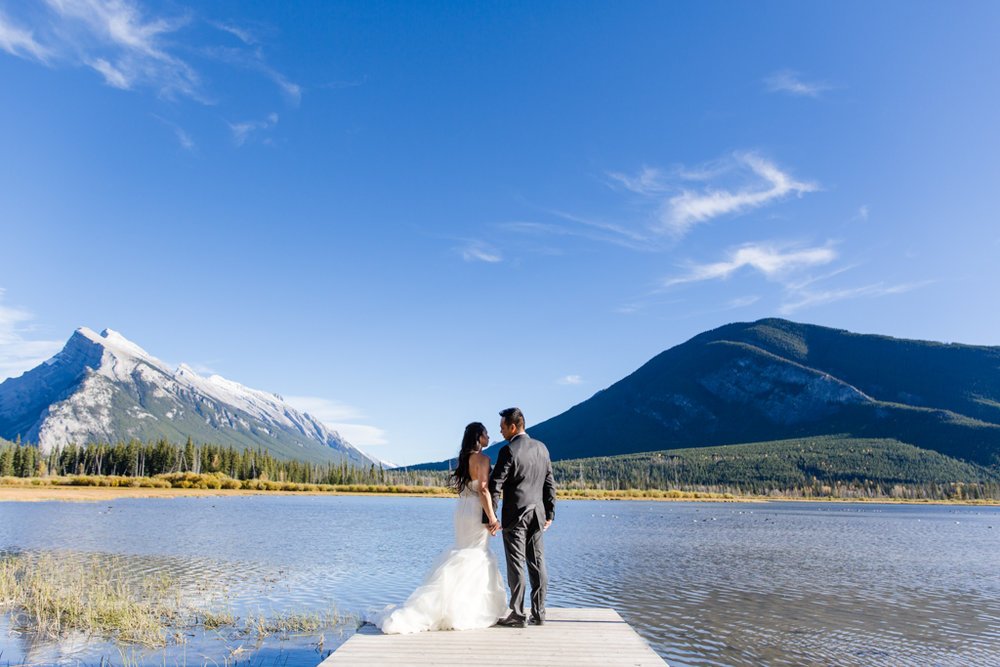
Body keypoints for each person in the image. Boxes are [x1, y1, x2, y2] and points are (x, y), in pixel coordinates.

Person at [373, 422, 507, 634]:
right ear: (478, 437)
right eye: (485, 434)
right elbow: (483, 489)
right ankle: (468, 609)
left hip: (461, 510)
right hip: (475, 511)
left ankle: (452, 605)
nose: (488, 437)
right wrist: (492, 518)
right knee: (475, 554)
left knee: (464, 551)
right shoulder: (483, 459)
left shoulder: (463, 459)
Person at [489, 407, 556, 628]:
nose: (500, 432)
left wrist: (489, 517)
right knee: (537, 563)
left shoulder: (508, 451)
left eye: (502, 427)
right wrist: (550, 513)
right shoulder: (542, 448)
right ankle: (540, 612)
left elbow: (495, 485)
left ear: (513, 427)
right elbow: (549, 483)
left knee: (516, 564)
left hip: (515, 515)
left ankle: (517, 613)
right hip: (537, 514)